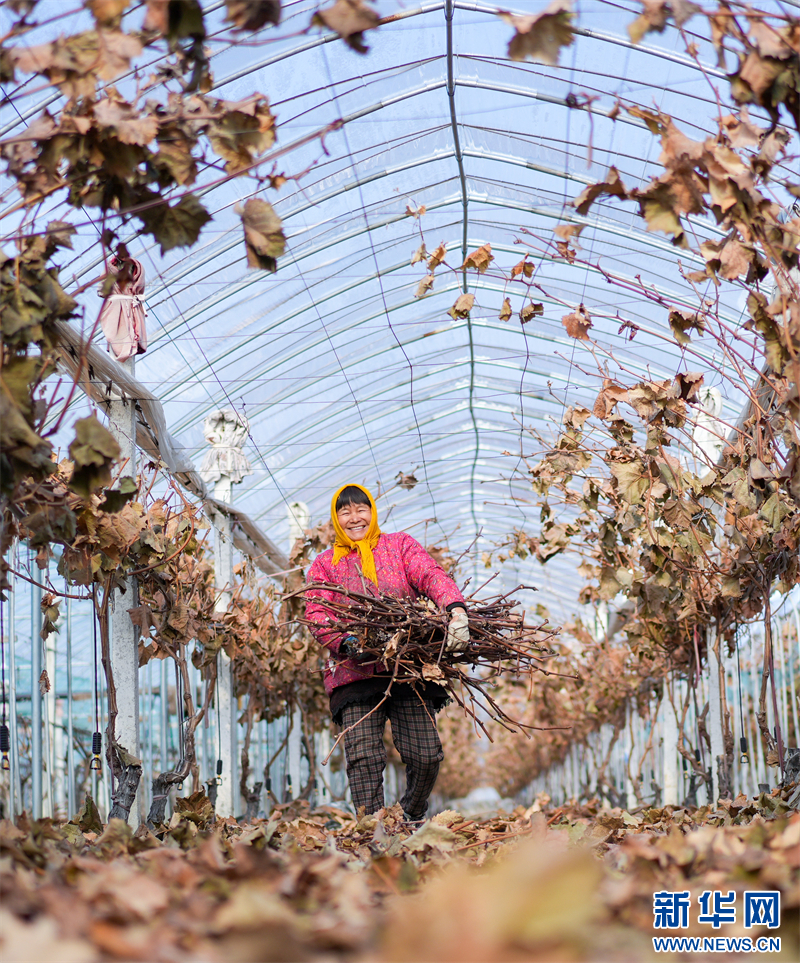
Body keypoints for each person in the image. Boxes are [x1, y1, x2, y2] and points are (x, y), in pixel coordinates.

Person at [305, 483, 469, 823]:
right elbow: (316, 612)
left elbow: (430, 574)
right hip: (354, 672)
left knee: (425, 755)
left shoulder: (399, 546)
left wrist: (455, 609)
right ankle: (372, 830)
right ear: (335, 519)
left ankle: (409, 815)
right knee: (363, 757)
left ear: (372, 511)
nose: (354, 517)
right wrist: (345, 642)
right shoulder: (325, 564)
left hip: (405, 666)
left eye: (360, 509)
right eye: (344, 511)